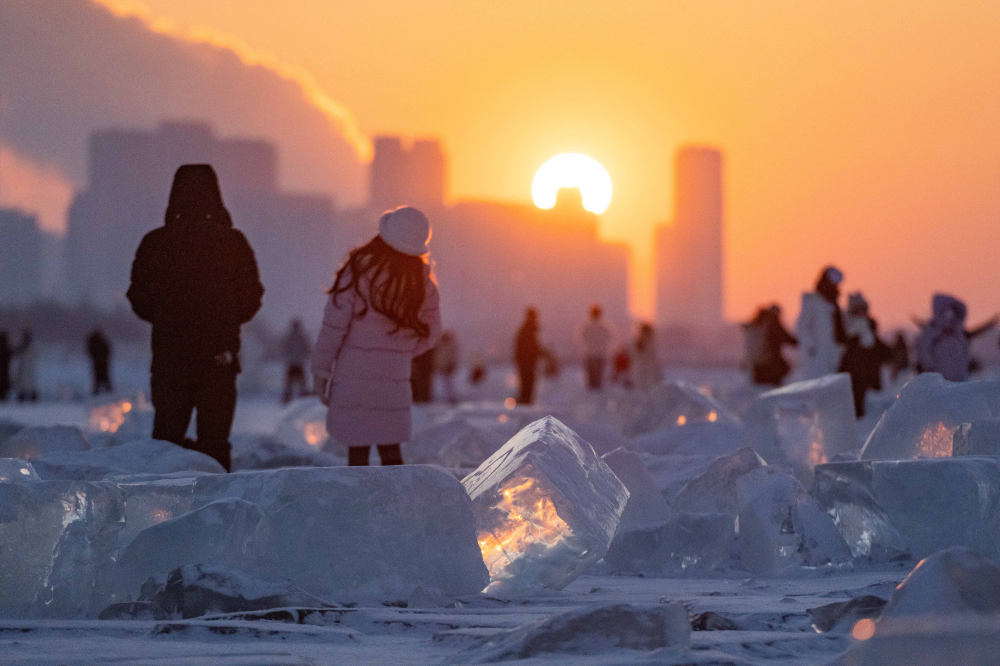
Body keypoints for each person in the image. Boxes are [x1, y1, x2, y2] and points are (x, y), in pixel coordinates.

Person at [127, 164, 264, 472]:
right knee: (215, 444)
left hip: (169, 357)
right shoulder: (233, 242)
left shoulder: (156, 242)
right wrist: (226, 320)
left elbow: (138, 297)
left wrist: (165, 319)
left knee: (166, 441)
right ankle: (216, 511)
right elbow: (253, 296)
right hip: (219, 358)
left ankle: (163, 508)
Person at [311, 206, 441, 467]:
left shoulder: (358, 271)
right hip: (394, 381)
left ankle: (356, 506)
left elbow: (333, 327)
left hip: (352, 377)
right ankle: (398, 505)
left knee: (356, 454)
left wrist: (321, 371)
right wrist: (401, 351)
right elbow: (432, 333)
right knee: (392, 454)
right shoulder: (421, 283)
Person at [837, 293, 889, 417]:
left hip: (868, 377)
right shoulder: (848, 331)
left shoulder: (868, 329)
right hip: (855, 377)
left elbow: (880, 350)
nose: (861, 313)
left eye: (863, 309)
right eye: (858, 310)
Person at [794, 265, 847, 380]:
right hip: (816, 357)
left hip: (832, 355)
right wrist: (811, 346)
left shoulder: (834, 305)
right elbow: (801, 326)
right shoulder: (812, 301)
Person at [915, 293, 972, 382]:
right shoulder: (931, 333)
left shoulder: (959, 335)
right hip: (939, 382)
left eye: (954, 313)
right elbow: (924, 353)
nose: (951, 317)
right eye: (947, 313)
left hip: (960, 381)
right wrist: (930, 369)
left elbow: (965, 354)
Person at [744, 305, 797, 386]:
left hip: (756, 364)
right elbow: (784, 336)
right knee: (784, 368)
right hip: (769, 360)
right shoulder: (772, 322)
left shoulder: (756, 324)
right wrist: (800, 342)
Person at [578, 304, 614, 390]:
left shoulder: (586, 327)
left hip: (591, 354)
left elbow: (580, 338)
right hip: (598, 354)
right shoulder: (604, 327)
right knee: (597, 378)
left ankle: (592, 396)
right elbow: (610, 338)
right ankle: (595, 395)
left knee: (592, 379)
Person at [514, 307, 543, 405]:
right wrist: (541, 352)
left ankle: (525, 400)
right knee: (528, 381)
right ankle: (525, 401)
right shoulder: (528, 329)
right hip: (527, 361)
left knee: (526, 381)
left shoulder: (526, 329)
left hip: (525, 360)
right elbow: (532, 346)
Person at [280, 319, 311, 404]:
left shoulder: (288, 337)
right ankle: (302, 393)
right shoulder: (302, 337)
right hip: (299, 362)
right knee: (301, 380)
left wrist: (287, 357)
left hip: (292, 362)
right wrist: (305, 355)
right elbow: (307, 348)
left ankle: (288, 396)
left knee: (290, 381)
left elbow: (283, 348)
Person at [631, 322, 662, 390]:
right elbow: (635, 350)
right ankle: (644, 390)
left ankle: (644, 390)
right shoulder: (641, 339)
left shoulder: (649, 339)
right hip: (644, 361)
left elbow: (652, 351)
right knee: (644, 377)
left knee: (645, 377)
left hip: (646, 362)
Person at [12, 329, 38, 402]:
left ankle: (30, 396)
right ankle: (24, 396)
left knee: (28, 382)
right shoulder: (25, 345)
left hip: (28, 366)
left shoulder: (29, 346)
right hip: (25, 366)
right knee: (25, 382)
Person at [434, 330, 459, 403]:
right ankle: (449, 397)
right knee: (447, 383)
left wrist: (451, 364)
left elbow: (452, 357)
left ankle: (450, 397)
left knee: (448, 383)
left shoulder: (449, 346)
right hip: (444, 367)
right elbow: (439, 358)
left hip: (447, 367)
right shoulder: (442, 346)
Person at [86, 328, 113, 395]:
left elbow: (107, 351)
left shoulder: (95, 343)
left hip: (100, 363)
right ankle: (106, 390)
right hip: (100, 363)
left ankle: (104, 390)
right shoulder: (100, 342)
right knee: (101, 377)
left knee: (100, 377)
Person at [0, 331, 12, 401]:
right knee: (4, 381)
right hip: (5, 368)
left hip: (3, 368)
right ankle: (3, 395)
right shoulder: (6, 346)